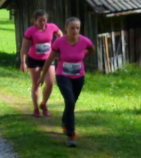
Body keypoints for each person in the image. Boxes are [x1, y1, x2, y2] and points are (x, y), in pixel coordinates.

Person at [37, 17, 94, 147]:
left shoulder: (84, 41)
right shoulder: (59, 42)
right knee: (70, 101)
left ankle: (64, 121)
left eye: (77, 28)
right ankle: (71, 134)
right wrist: (42, 76)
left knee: (71, 104)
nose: (75, 30)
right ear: (66, 28)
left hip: (79, 76)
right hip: (63, 76)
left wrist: (82, 56)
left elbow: (91, 49)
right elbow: (49, 59)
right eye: (72, 28)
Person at [20, 10, 63, 117]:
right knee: (36, 84)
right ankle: (35, 108)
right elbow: (24, 47)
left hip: (48, 59)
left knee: (50, 83)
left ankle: (43, 104)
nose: (43, 22)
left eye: (44, 20)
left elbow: (60, 36)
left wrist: (58, 47)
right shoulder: (30, 31)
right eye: (40, 20)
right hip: (33, 59)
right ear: (35, 21)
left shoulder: (52, 27)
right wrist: (23, 62)